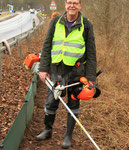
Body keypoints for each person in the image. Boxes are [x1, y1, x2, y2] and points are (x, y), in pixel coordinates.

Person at [36, 0, 97, 149]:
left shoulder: (86, 25)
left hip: (77, 73)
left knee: (73, 104)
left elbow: (91, 53)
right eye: (69, 2)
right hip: (57, 70)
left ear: (80, 5)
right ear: (65, 4)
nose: (72, 5)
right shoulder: (56, 22)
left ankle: (68, 135)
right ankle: (47, 129)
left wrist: (91, 79)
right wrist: (43, 69)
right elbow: (47, 45)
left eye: (75, 3)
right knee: (51, 101)